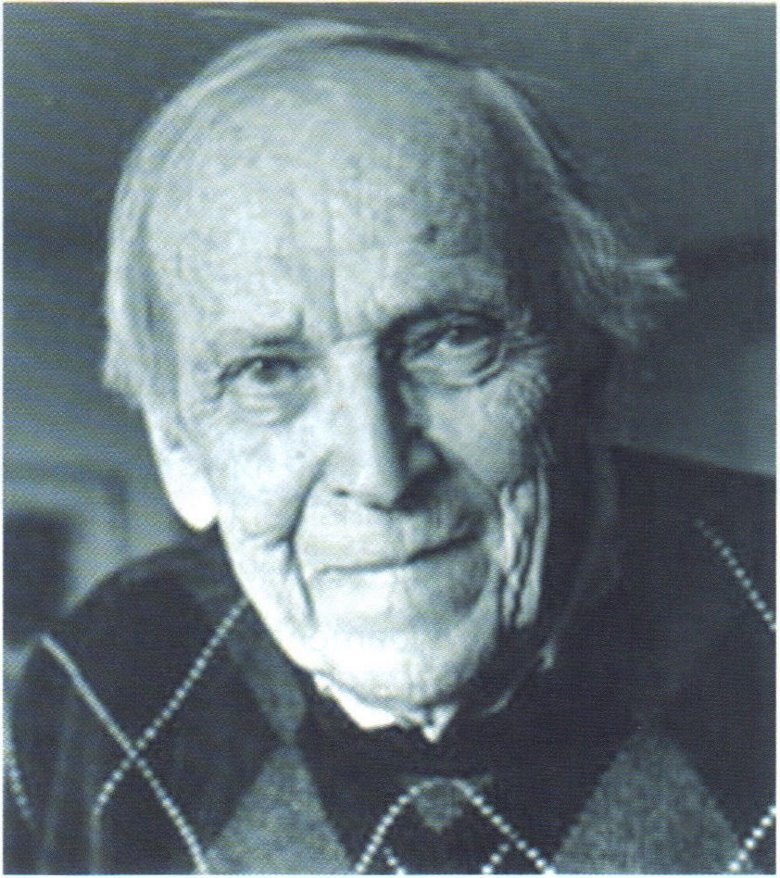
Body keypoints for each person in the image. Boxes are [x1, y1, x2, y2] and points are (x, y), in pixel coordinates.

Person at [5, 21, 773, 875]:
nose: (379, 474)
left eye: (449, 338)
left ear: (586, 368)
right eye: (268, 371)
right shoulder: (96, 682)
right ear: (179, 451)